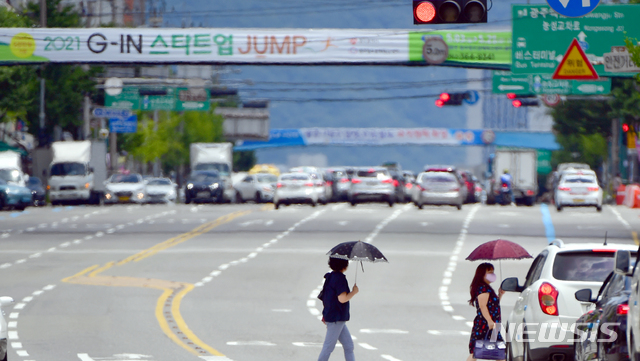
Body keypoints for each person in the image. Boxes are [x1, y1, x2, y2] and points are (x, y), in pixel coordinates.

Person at [318, 257, 359, 361]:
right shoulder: (340, 279)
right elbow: (342, 299)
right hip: (336, 318)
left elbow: (326, 297)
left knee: (349, 345)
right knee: (328, 347)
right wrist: (354, 292)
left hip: (334, 317)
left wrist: (325, 314)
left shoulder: (330, 277)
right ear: (345, 266)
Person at [467, 262, 505, 361]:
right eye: (489, 272)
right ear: (482, 274)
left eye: (493, 271)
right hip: (485, 324)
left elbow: (492, 305)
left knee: (499, 352)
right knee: (476, 352)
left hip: (491, 324)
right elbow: (483, 306)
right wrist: (489, 321)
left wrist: (499, 295)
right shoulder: (483, 288)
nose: (492, 274)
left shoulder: (486, 288)